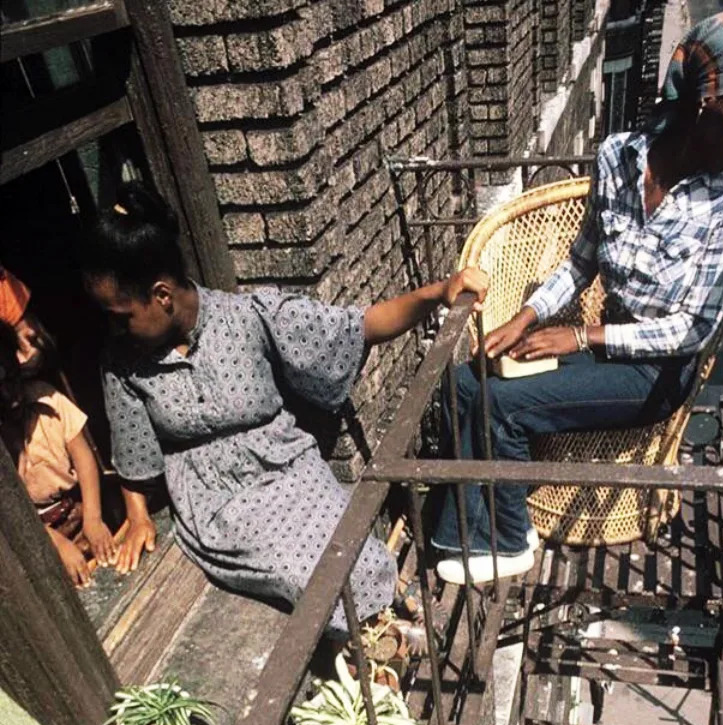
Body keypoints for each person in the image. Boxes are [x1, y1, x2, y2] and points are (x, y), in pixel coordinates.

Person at [433, 8, 723, 585]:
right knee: (465, 382)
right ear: (704, 103)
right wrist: (526, 316)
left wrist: (579, 335)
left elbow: (694, 328)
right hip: (607, 345)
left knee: (501, 406)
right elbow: (583, 259)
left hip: (657, 373)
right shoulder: (618, 156)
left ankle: (506, 540)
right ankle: (487, 522)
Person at [82, 183, 488, 632]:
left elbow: (359, 326)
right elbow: (134, 449)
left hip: (287, 465)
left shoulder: (248, 316)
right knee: (299, 573)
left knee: (347, 541)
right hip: (217, 499)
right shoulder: (122, 362)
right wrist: (138, 515)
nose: (114, 328)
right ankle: (371, 635)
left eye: (121, 315)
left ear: (161, 296)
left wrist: (438, 292)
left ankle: (388, 606)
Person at [0, 322, 117, 586]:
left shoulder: (45, 397)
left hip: (78, 511)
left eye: (12, 379)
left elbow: (83, 457)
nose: (10, 396)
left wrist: (93, 519)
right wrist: (56, 544)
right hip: (35, 538)